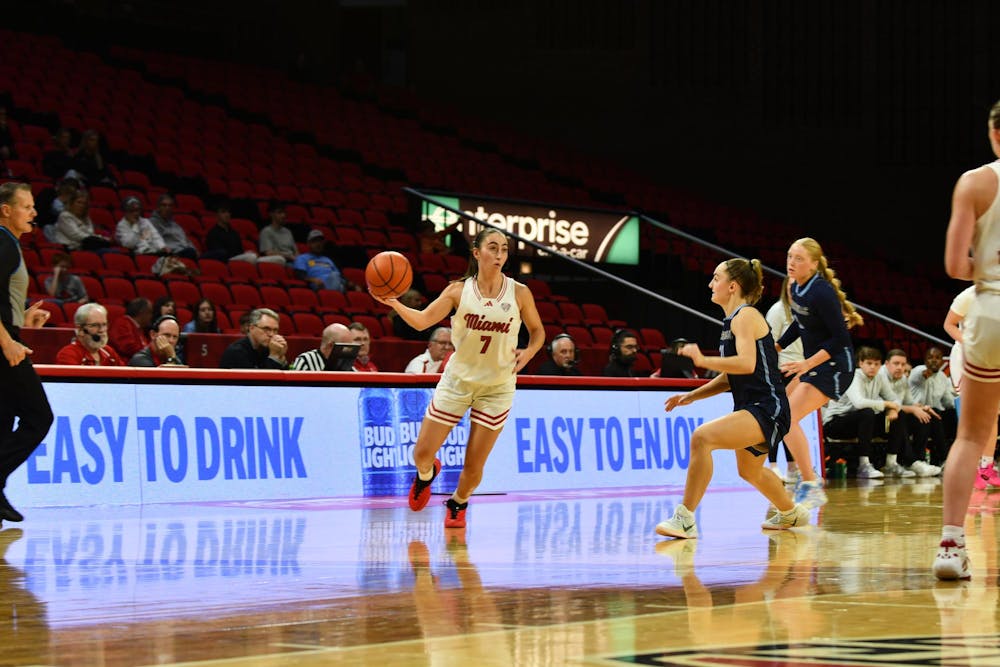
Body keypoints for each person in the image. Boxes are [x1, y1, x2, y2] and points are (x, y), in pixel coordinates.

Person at [371, 227, 545, 529]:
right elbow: (424, 320)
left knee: (474, 467)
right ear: (476, 253)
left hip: (497, 388)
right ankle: (427, 475)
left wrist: (529, 351)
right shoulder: (457, 291)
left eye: (504, 249)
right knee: (421, 453)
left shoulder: (519, 292)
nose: (500, 254)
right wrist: (395, 304)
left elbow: (539, 332)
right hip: (457, 382)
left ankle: (459, 501)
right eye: (493, 247)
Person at [655, 258, 807, 539]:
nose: (710, 283)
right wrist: (693, 395)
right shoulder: (732, 321)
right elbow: (729, 377)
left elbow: (747, 364)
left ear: (733, 286)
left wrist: (702, 359)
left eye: (716, 278)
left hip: (767, 408)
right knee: (749, 471)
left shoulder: (746, 316)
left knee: (702, 438)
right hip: (757, 407)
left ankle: (685, 518)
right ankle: (791, 512)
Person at [935, 98, 1000, 581]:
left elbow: (957, 266)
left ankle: (951, 546)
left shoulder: (975, 182)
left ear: (995, 134)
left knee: (971, 435)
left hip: (992, 309)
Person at [774, 237, 863, 509]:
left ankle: (811, 483)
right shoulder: (794, 286)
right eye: (790, 256)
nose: (791, 262)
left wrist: (806, 365)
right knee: (783, 416)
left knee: (788, 417)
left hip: (837, 366)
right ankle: (808, 478)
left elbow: (840, 340)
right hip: (817, 364)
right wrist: (776, 345)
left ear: (813, 264)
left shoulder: (821, 292)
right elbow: (799, 324)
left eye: (799, 258)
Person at [0, 182, 55, 523]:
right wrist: (7, 341)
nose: (34, 212)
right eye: (26, 206)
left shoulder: (10, 244)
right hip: (3, 348)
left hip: (8, 338)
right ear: (6, 209)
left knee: (4, 424)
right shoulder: (3, 243)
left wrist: (23, 317)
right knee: (39, 417)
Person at [820, 346, 909, 479]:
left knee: (898, 415)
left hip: (862, 423)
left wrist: (892, 408)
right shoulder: (852, 376)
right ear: (861, 363)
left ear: (880, 365)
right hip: (836, 423)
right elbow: (859, 403)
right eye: (869, 363)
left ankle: (891, 463)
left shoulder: (879, 378)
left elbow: (895, 399)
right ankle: (864, 465)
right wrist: (887, 404)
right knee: (867, 412)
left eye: (876, 364)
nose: (873, 367)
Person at [943, 285, 999, 489]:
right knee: (971, 418)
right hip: (967, 359)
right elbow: (949, 325)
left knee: (992, 415)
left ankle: (986, 467)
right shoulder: (968, 295)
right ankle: (970, 469)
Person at [878, 349, 941, 477]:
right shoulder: (880, 376)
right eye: (896, 363)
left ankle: (920, 460)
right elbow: (885, 404)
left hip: (895, 415)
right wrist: (913, 409)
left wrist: (922, 407)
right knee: (901, 415)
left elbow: (909, 402)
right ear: (886, 364)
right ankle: (910, 461)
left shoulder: (902, 379)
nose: (900, 368)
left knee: (925, 416)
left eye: (903, 364)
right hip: (878, 417)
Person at [764, 277, 801, 483]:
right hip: (782, 371)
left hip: (802, 371)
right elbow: (769, 344)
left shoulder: (807, 312)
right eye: (791, 286)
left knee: (790, 421)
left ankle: (793, 466)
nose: (795, 290)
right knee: (777, 418)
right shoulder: (778, 311)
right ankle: (772, 464)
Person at [908, 346, 958, 467]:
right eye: (930, 358)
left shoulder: (942, 377)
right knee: (931, 414)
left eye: (937, 358)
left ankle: (945, 460)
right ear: (925, 360)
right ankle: (920, 460)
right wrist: (927, 372)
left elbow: (948, 401)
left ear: (942, 361)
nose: (934, 360)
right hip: (912, 413)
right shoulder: (917, 371)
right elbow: (922, 376)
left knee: (945, 414)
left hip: (933, 415)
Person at [202, 201, 277, 264]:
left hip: (239, 257)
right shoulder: (213, 233)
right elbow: (219, 253)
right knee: (251, 256)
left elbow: (239, 250)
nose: (227, 215)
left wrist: (246, 252)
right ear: (217, 215)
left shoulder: (234, 233)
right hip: (227, 260)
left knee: (276, 259)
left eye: (228, 212)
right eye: (223, 212)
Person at [54, 302, 125, 366]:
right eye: (95, 325)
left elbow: (125, 376)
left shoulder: (108, 351)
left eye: (104, 324)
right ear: (80, 330)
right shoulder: (68, 354)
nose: (102, 330)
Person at [219, 308, 287, 369]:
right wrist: (274, 356)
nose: (272, 334)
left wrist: (281, 357)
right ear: (251, 328)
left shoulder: (270, 348)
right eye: (266, 329)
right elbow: (260, 381)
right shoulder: (236, 351)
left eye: (275, 330)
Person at [149, 194, 197, 259]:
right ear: (158, 207)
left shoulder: (176, 225)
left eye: (170, 206)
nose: (167, 208)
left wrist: (195, 251)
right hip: (172, 255)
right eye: (164, 205)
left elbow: (186, 240)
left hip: (187, 252)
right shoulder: (152, 223)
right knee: (191, 252)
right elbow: (156, 243)